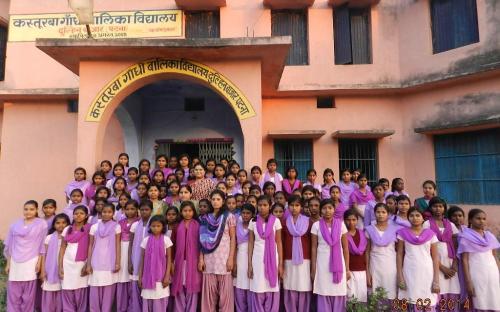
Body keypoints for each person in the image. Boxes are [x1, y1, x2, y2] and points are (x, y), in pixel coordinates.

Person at [5, 200, 48, 312]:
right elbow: (10, 245)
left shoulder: (41, 224)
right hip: (15, 261)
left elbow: (42, 245)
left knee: (28, 294)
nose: (28, 212)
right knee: (14, 292)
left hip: (31, 260)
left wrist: (39, 262)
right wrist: (8, 263)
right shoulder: (15, 225)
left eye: (31, 209)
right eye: (26, 209)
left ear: (36, 210)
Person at [198, 190, 236, 312]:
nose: (215, 202)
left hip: (224, 261)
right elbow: (202, 240)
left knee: (225, 297)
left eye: (218, 199)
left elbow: (233, 238)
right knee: (209, 297)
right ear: (210, 200)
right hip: (209, 261)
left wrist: (231, 259)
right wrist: (201, 259)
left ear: (223, 201)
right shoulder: (205, 218)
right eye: (213, 199)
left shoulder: (229, 216)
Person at [396, 208, 440, 311]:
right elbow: (399, 255)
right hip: (409, 271)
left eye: (417, 215)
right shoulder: (403, 233)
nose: (414, 218)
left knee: (428, 299)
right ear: (408, 218)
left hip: (427, 272)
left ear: (423, 218)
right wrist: (400, 276)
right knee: (411, 300)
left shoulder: (431, 234)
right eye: (411, 216)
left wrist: (436, 280)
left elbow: (435, 257)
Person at [458, 209, 500, 311]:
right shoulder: (465, 237)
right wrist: (468, 282)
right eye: (478, 218)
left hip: (492, 274)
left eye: (484, 219)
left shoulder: (490, 236)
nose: (481, 221)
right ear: (470, 220)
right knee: (479, 302)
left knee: (494, 300)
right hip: (477, 274)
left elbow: (495, 256)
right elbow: (464, 260)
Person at [310, 199, 349, 310]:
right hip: (322, 264)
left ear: (334, 209)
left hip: (339, 265)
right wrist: (313, 269)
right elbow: (313, 248)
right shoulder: (316, 225)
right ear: (320, 210)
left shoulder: (341, 225)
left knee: (338, 292)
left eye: (330, 208)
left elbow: (345, 249)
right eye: (324, 208)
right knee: (324, 291)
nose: (327, 211)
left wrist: (347, 269)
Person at [423, 197, 460, 311]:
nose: (438, 209)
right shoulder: (426, 224)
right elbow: (426, 249)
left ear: (444, 208)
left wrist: (454, 264)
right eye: (435, 206)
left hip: (450, 261)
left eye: (440, 206)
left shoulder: (451, 224)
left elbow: (455, 245)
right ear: (430, 208)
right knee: (439, 290)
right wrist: (442, 268)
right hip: (435, 262)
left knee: (452, 289)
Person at [247, 195, 283, 312]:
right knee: (258, 286)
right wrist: (249, 265)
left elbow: (279, 243)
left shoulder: (276, 221)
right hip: (257, 259)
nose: (262, 208)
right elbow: (251, 244)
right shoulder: (253, 222)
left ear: (270, 206)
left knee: (270, 288)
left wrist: (281, 264)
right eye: (260, 205)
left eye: (265, 205)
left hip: (273, 258)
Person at [86, 203, 121, 312]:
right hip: (95, 263)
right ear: (101, 213)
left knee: (108, 292)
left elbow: (118, 245)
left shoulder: (117, 226)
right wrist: (88, 264)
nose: (106, 214)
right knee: (95, 291)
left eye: (109, 212)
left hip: (110, 263)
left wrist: (117, 262)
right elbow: (91, 245)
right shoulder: (94, 227)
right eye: (104, 212)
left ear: (113, 213)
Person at [281, 195, 311, 312]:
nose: (294, 208)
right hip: (289, 259)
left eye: (297, 205)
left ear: (302, 207)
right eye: (292, 205)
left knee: (303, 287)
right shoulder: (284, 222)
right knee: (290, 287)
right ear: (288, 207)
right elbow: (282, 243)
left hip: (305, 259)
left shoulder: (308, 222)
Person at [59, 206, 91, 312]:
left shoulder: (90, 228)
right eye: (76, 213)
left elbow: (92, 246)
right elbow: (63, 247)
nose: (78, 215)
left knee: (80, 289)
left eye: (81, 213)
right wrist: (60, 266)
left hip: (82, 263)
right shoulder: (67, 229)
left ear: (86, 215)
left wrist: (87, 264)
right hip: (67, 263)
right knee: (67, 288)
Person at [365, 203, 398, 305]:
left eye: (383, 212)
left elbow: (398, 251)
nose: (380, 214)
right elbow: (367, 252)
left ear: (388, 214)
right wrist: (367, 272)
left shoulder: (395, 230)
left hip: (391, 266)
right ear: (374, 214)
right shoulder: (369, 229)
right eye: (378, 212)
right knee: (375, 296)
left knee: (390, 294)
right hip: (375, 265)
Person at [171, 201, 201, 312]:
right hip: (179, 261)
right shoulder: (177, 226)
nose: (187, 213)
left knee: (192, 287)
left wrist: (200, 260)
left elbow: (201, 244)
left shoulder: (198, 225)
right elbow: (172, 245)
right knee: (179, 286)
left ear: (193, 211)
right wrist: (171, 262)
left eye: (190, 211)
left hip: (193, 261)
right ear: (181, 212)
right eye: (185, 211)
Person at [138, 215, 173, 311]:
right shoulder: (145, 240)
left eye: (158, 226)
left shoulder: (166, 240)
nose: (155, 228)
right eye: (153, 226)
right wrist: (140, 277)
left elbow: (169, 259)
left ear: (163, 227)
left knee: (160, 302)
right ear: (150, 227)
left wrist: (167, 276)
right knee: (148, 302)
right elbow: (142, 260)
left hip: (161, 278)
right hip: (147, 277)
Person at [40, 213, 70, 312]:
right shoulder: (49, 238)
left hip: (64, 268)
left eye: (63, 223)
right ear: (54, 225)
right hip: (50, 269)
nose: (61, 225)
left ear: (68, 224)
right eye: (57, 223)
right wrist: (43, 270)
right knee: (50, 291)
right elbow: (44, 255)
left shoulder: (70, 237)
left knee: (61, 291)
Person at [129, 200, 153, 311]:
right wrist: (130, 261)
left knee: (147, 289)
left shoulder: (155, 225)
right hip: (136, 258)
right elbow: (131, 244)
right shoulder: (134, 225)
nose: (144, 212)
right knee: (135, 289)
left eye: (147, 210)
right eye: (142, 210)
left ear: (151, 211)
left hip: (150, 260)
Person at [116, 200, 139, 312]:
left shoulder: (140, 222)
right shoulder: (120, 223)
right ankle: (121, 307)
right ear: (124, 210)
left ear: (137, 210)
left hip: (133, 250)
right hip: (121, 250)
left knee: (132, 278)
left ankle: (133, 308)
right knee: (122, 278)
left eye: (132, 209)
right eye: (127, 209)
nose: (129, 211)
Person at [344, 209, 367, 305]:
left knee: (361, 297)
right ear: (344, 220)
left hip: (362, 270)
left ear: (357, 220)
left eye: (354, 219)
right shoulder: (343, 234)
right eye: (348, 220)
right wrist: (346, 269)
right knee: (350, 297)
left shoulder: (362, 233)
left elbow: (366, 253)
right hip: (349, 270)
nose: (351, 222)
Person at [234, 204, 255, 312]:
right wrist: (234, 263)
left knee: (251, 285)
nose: (245, 215)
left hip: (253, 257)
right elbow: (234, 245)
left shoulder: (255, 225)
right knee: (239, 284)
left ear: (253, 214)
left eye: (248, 213)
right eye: (243, 213)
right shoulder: (236, 225)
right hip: (239, 257)